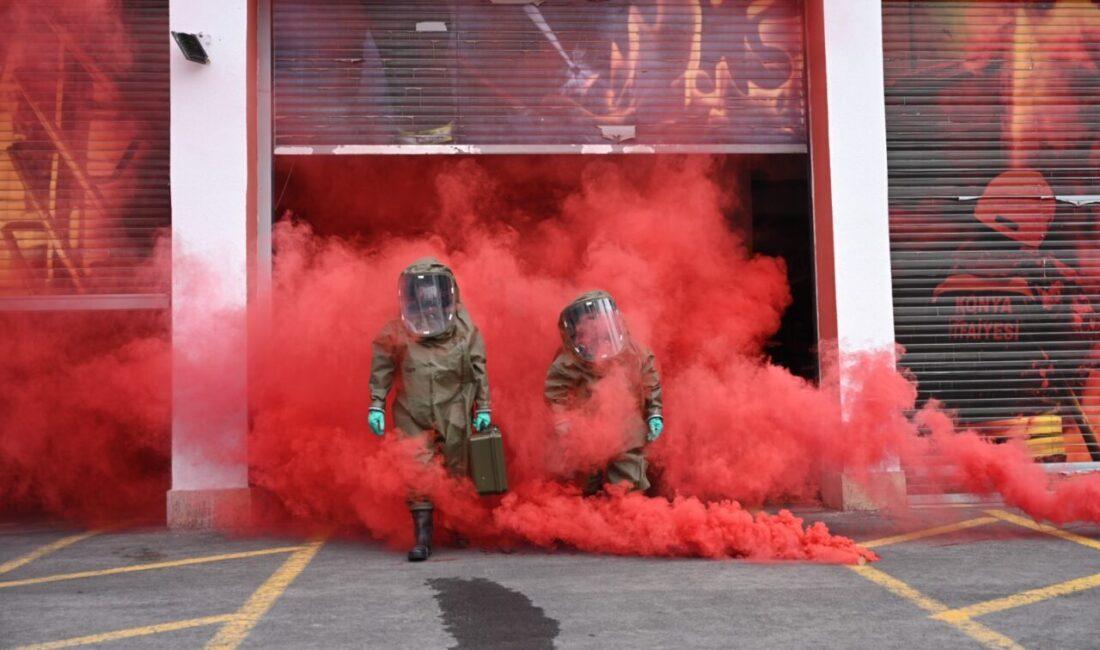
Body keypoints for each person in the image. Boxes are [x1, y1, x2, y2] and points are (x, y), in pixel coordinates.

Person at [367, 258, 491, 561]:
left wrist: (483, 406)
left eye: (434, 292)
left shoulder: (465, 329)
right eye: (421, 292)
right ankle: (423, 537)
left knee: (456, 469)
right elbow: (382, 367)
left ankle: (457, 525)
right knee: (417, 470)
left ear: (448, 294)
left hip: (455, 408)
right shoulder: (397, 331)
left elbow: (479, 369)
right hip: (412, 410)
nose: (428, 299)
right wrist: (377, 404)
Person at [544, 290, 663, 493]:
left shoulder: (636, 353)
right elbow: (556, 393)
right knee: (585, 485)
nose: (597, 335)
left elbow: (650, 384)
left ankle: (628, 515)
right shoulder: (568, 362)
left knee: (627, 485)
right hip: (587, 432)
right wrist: (562, 420)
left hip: (627, 426)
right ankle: (592, 518)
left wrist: (654, 413)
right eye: (586, 326)